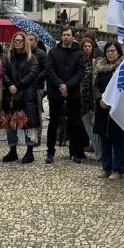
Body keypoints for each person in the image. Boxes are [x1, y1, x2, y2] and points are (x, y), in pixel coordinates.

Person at [44, 26, 86, 164]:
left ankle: (73, 152)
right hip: (55, 92)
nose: (66, 37)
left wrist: (68, 85)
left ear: (73, 36)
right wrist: (61, 85)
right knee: (53, 122)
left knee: (73, 123)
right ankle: (50, 152)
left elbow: (80, 72)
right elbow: (49, 70)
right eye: (64, 35)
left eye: (68, 35)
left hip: (73, 93)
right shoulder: (53, 52)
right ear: (61, 36)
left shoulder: (79, 54)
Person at [0, 32, 40, 163]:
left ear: (24, 42)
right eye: (15, 40)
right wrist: (10, 85)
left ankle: (29, 152)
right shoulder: (7, 57)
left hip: (27, 94)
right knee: (10, 123)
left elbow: (32, 74)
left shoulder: (32, 58)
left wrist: (18, 85)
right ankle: (12, 151)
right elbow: (3, 72)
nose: (17, 43)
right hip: (10, 94)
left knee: (28, 123)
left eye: (20, 40)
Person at [93, 40, 124, 180]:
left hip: (118, 110)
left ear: (118, 52)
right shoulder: (102, 69)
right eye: (108, 51)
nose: (110, 53)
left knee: (118, 142)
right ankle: (106, 168)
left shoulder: (123, 69)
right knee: (105, 141)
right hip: (103, 110)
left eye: (113, 51)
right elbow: (96, 87)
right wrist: (99, 99)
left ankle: (118, 170)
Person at [79, 35, 97, 157]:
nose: (87, 48)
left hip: (91, 96)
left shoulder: (95, 62)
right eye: (85, 46)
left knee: (91, 121)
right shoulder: (79, 61)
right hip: (81, 94)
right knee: (81, 121)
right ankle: (82, 145)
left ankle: (93, 144)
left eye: (89, 46)